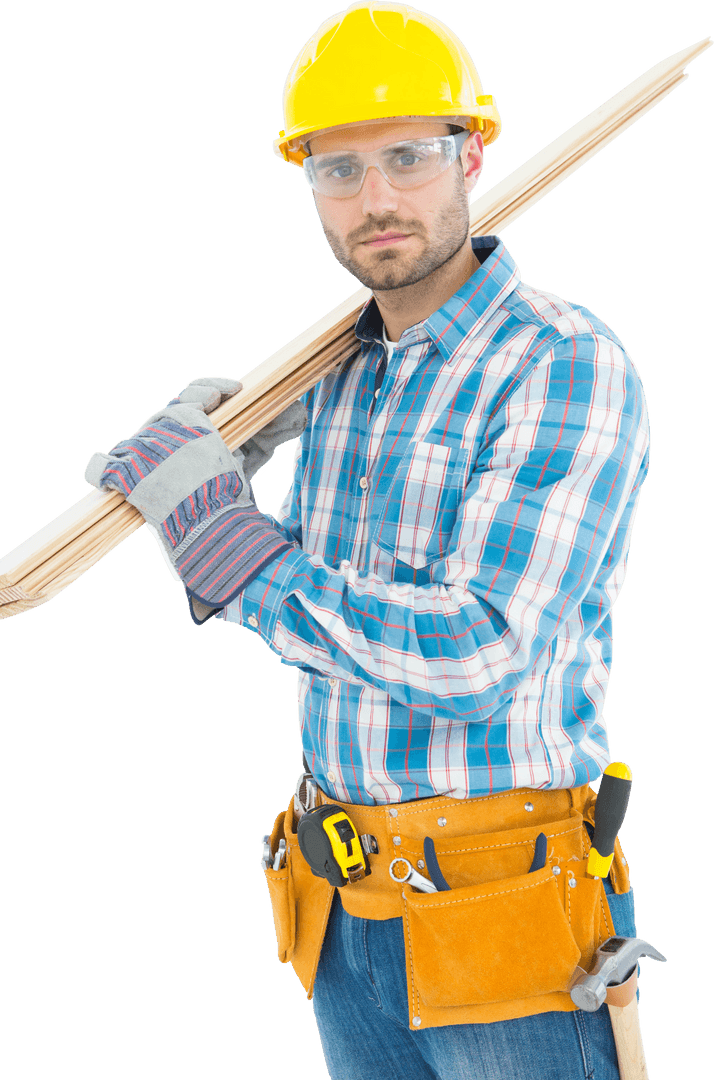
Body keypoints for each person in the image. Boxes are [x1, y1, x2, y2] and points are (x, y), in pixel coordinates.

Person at [83, 3, 650, 1076]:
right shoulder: (338, 374)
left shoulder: (563, 365)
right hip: (344, 906)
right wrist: (218, 480)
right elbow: (335, 613)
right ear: (305, 180)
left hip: (508, 914)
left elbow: (479, 654)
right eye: (337, 170)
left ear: (473, 152)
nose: (376, 199)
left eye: (407, 156)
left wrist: (233, 553)